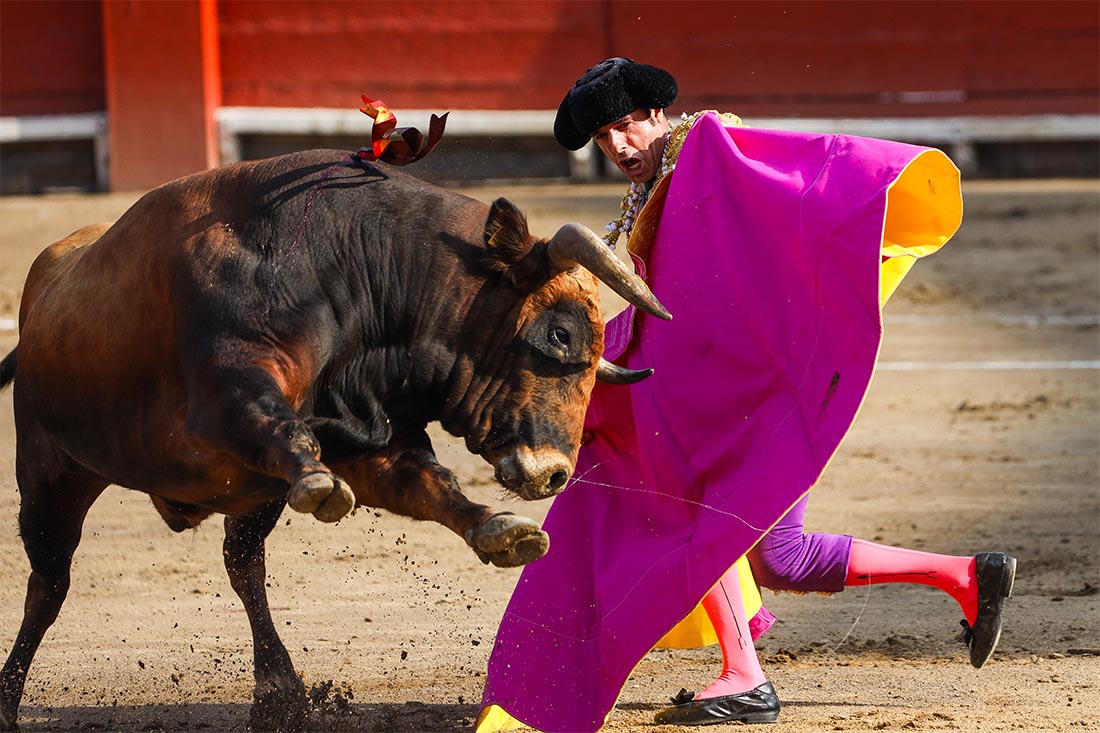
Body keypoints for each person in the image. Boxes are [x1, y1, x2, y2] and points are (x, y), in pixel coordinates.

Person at [478, 58, 1015, 732]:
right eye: (603, 137)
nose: (616, 145)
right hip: (745, 395)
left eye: (622, 126)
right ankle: (965, 575)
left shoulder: (706, 150)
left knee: (693, 508)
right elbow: (676, 297)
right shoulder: (659, 182)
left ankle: (745, 675)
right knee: (777, 555)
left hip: (753, 396)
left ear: (654, 115)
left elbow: (787, 207)